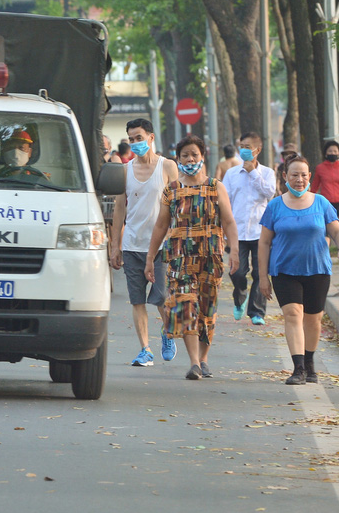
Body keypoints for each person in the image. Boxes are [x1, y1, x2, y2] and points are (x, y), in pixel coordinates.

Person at [145, 135, 239, 380]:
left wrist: (235, 251)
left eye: (194, 154)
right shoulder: (172, 190)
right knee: (185, 306)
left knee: (207, 310)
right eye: (185, 155)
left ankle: (204, 359)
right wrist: (150, 258)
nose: (189, 159)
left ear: (202, 157)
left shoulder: (216, 187)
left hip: (211, 257)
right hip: (180, 260)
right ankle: (194, 363)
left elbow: (228, 221)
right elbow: (160, 227)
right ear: (178, 159)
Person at [259, 154, 339, 385]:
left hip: (317, 270)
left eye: (303, 175)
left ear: (309, 177)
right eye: (294, 175)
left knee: (313, 319)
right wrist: (262, 277)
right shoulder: (275, 206)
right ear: (285, 177)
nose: (299, 179)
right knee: (293, 314)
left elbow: (337, 231)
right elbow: (264, 242)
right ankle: (298, 368)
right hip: (284, 271)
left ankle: (309, 362)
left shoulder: (321, 203)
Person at [110, 118, 180, 367]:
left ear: (151, 138)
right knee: (137, 300)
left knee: (160, 297)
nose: (135, 143)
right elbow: (119, 209)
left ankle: (167, 332)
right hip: (132, 245)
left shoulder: (168, 166)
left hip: (161, 246)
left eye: (139, 138)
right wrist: (115, 245)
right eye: (131, 139)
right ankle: (145, 350)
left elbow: (179, 203)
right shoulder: (125, 171)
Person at [224, 132, 276, 326]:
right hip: (237, 232)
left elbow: (269, 192)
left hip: (260, 232)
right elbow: (225, 201)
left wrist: (253, 172)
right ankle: (240, 296)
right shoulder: (231, 174)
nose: (244, 150)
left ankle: (257, 312)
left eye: (248, 146)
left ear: (258, 150)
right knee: (237, 272)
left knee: (260, 273)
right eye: (242, 146)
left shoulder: (268, 173)